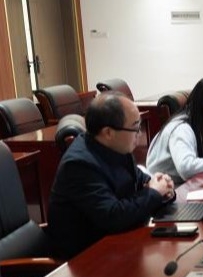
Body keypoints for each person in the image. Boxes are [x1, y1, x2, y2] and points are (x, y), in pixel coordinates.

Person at [47, 91, 175, 259]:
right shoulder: (79, 165)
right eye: (135, 127)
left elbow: (140, 182)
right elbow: (113, 216)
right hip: (87, 260)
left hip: (118, 244)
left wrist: (162, 186)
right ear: (108, 132)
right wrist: (154, 193)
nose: (139, 133)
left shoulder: (116, 147)